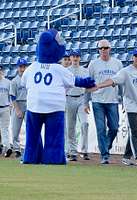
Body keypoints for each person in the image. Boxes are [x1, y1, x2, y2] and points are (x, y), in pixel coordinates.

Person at [21, 29, 95, 165]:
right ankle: (53, 159)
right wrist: (88, 82)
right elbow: (75, 81)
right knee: (54, 138)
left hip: (34, 106)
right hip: (54, 107)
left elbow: (24, 83)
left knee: (32, 137)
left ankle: (30, 158)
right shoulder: (59, 68)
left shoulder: (31, 67)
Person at [91, 48, 137, 165]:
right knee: (134, 131)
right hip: (131, 106)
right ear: (132, 58)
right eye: (136, 56)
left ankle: (126, 157)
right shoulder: (125, 71)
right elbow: (113, 80)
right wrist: (99, 85)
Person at [85, 39, 123, 164]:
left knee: (114, 128)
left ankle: (106, 146)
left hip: (112, 100)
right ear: (98, 50)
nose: (103, 50)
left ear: (110, 49)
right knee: (100, 128)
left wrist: (123, 99)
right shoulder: (93, 64)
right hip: (97, 100)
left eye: (105, 48)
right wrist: (86, 102)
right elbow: (88, 84)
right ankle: (105, 155)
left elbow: (121, 82)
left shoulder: (117, 63)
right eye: (101, 48)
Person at [66, 49, 90, 161]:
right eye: (73, 56)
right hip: (69, 99)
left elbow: (88, 87)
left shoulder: (85, 71)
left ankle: (84, 150)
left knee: (85, 123)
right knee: (70, 127)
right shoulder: (65, 71)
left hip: (81, 98)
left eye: (77, 56)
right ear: (70, 58)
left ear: (80, 58)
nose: (75, 58)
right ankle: (72, 151)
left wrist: (86, 102)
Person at [10, 58, 28, 158]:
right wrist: (17, 110)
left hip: (28, 104)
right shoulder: (14, 81)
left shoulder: (29, 79)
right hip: (18, 104)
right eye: (21, 66)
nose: (22, 68)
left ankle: (29, 148)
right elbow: (12, 96)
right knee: (15, 129)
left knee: (30, 128)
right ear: (18, 68)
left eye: (24, 66)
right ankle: (17, 149)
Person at [0, 66, 12, 157]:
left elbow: (11, 96)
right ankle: (3, 147)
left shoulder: (8, 82)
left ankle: (7, 148)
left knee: (4, 129)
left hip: (5, 107)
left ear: (2, 72)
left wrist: (11, 106)